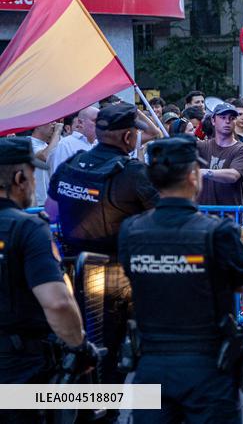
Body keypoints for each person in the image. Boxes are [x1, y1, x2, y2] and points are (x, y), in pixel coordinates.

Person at [120, 136, 243, 423]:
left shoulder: (131, 229)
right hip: (205, 365)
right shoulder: (219, 231)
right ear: (192, 177)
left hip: (152, 360)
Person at [45, 103, 159, 412]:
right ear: (128, 137)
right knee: (110, 350)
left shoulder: (71, 165)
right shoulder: (133, 173)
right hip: (114, 275)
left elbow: (50, 212)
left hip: (70, 272)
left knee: (79, 344)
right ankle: (101, 411)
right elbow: (163, 219)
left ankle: (85, 407)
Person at [0, 138, 98, 398]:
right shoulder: (28, 228)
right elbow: (57, 303)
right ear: (20, 179)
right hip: (19, 366)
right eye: (33, 175)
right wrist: (79, 346)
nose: (34, 183)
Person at [196, 102, 243, 206]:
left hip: (229, 214)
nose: (227, 121)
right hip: (203, 213)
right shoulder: (201, 146)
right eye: (223, 117)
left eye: (232, 118)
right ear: (213, 121)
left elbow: (233, 175)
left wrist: (204, 172)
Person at [49, 105, 99, 174]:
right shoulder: (66, 144)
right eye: (96, 121)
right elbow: (59, 176)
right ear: (80, 123)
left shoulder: (101, 144)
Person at [28, 120, 61, 206]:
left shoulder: (46, 146)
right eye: (50, 121)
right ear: (38, 125)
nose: (54, 124)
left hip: (47, 200)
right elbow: (45, 156)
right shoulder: (28, 142)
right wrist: (57, 132)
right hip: (35, 202)